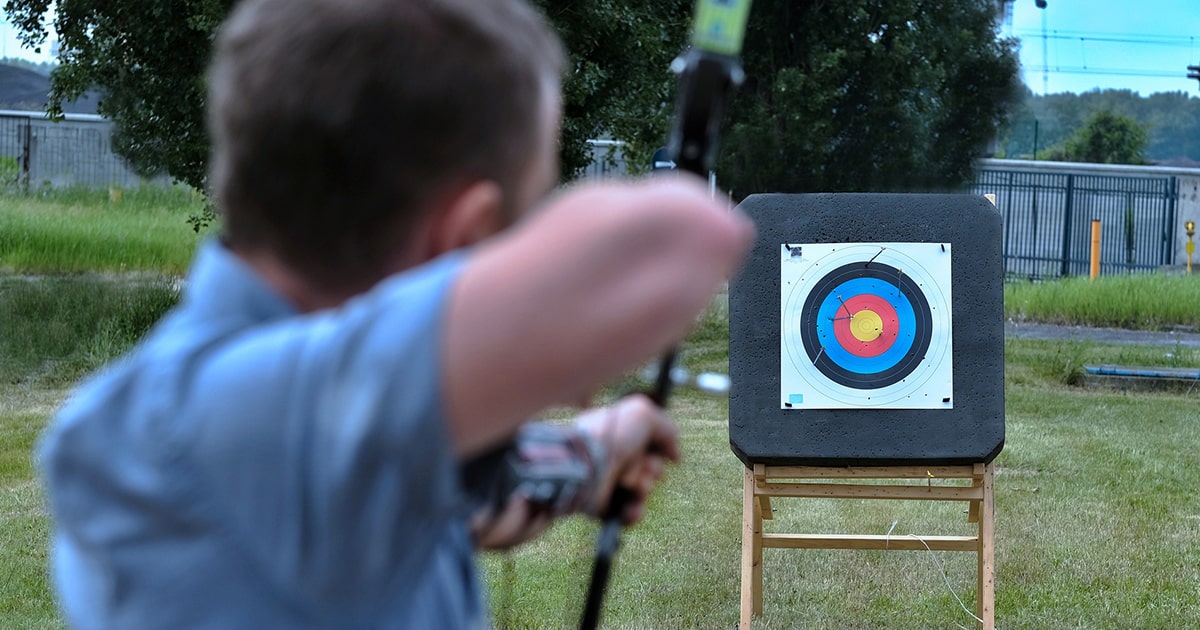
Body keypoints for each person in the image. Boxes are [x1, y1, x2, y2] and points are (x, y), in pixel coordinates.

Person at [37, 0, 754, 627]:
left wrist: (593, 450)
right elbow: (687, 237)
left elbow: (461, 490)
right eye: (515, 226)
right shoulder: (206, 422)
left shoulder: (333, 427)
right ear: (466, 233)